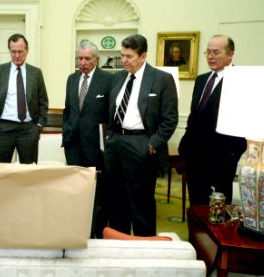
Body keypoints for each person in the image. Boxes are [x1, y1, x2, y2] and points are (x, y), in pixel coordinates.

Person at [104, 34, 178, 236]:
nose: (124, 61)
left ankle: (144, 249)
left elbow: (170, 119)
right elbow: (109, 112)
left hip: (142, 144)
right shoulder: (117, 78)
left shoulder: (162, 79)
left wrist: (152, 144)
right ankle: (118, 244)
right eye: (122, 55)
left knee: (141, 203)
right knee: (116, 200)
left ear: (143, 55)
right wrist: (109, 138)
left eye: (129, 56)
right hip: (116, 144)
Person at [178, 35, 246, 205]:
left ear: (230, 55)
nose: (211, 56)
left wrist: (232, 154)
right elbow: (195, 116)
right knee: (196, 205)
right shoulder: (202, 80)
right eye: (208, 52)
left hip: (221, 158)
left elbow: (241, 121)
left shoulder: (240, 80)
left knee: (218, 210)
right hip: (194, 156)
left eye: (216, 52)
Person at [62, 40, 113, 238]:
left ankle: (97, 232)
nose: (82, 62)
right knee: (75, 189)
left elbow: (110, 114)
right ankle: (76, 229)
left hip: (95, 146)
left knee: (97, 192)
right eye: (80, 58)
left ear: (97, 59)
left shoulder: (108, 79)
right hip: (73, 144)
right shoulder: (71, 78)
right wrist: (66, 131)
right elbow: (69, 109)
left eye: (87, 58)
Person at [0, 33, 49, 164]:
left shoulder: (36, 73)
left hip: (29, 130)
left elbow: (43, 102)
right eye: (13, 51)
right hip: (3, 130)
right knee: (0, 171)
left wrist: (39, 126)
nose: (17, 55)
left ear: (27, 50)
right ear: (9, 51)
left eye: (20, 51)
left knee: (28, 173)